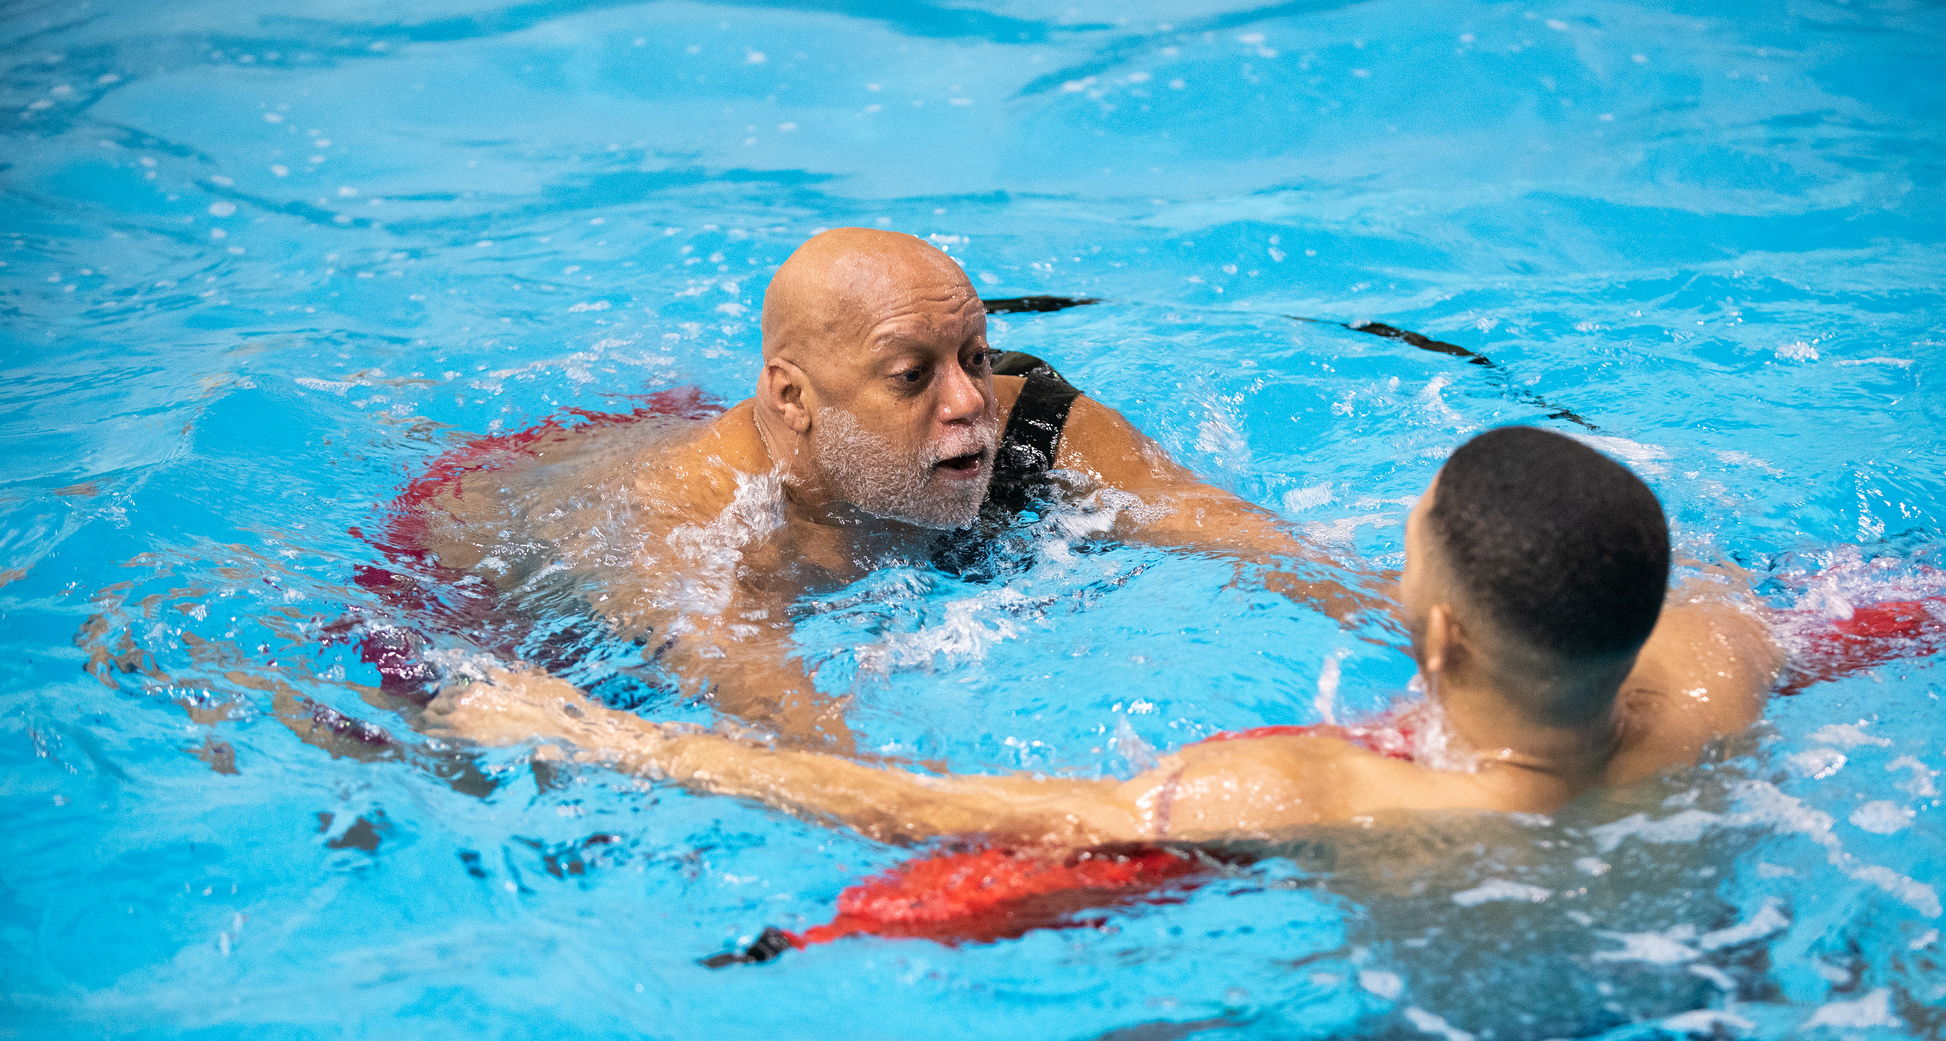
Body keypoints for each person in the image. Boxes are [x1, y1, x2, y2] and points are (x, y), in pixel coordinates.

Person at [421, 427, 1783, 850]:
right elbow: (1660, 561)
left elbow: (927, 804)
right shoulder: (1717, 665)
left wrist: (594, 731)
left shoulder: (1322, 791)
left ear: (1432, 636)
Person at [403, 228, 1384, 750]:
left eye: (972, 352)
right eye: (913, 376)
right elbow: (801, 752)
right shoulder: (700, 538)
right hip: (471, 561)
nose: (970, 404)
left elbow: (1256, 541)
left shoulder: (1031, 420)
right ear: (791, 398)